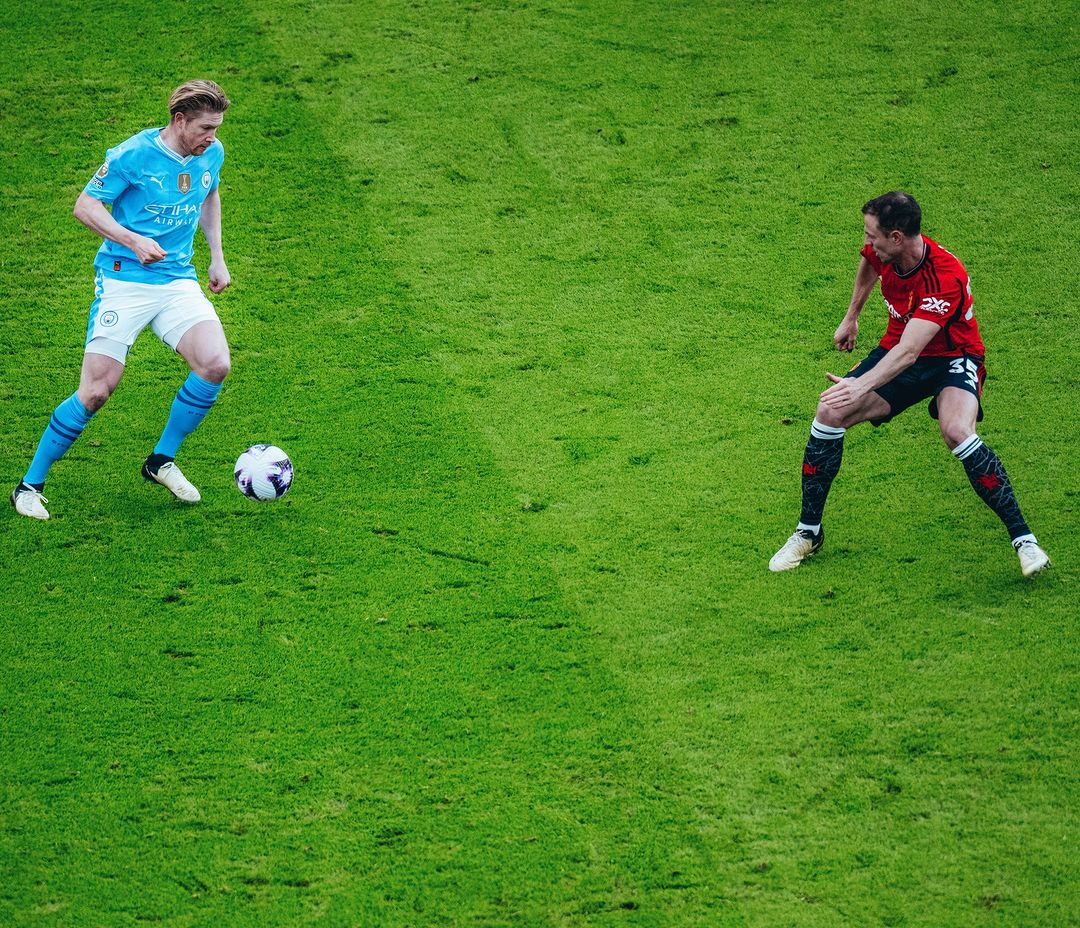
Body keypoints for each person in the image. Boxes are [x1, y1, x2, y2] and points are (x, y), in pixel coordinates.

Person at [769, 191, 1049, 577]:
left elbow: (909, 353)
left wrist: (859, 386)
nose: (868, 244)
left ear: (897, 237)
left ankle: (1024, 540)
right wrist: (852, 316)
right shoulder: (884, 252)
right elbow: (869, 265)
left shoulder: (944, 276)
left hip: (952, 358)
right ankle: (808, 532)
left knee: (957, 431)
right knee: (829, 412)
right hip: (898, 348)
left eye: (872, 236)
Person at [11, 80, 232, 520]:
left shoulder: (211, 153)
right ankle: (28, 486)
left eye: (217, 128)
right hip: (123, 280)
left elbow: (209, 194)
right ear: (179, 121)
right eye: (205, 128)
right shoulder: (132, 155)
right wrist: (133, 240)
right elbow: (85, 206)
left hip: (175, 279)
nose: (212, 137)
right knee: (96, 392)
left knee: (214, 364)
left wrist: (217, 257)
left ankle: (160, 461)